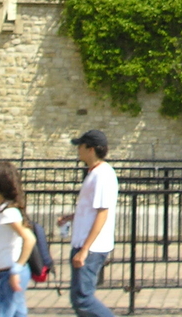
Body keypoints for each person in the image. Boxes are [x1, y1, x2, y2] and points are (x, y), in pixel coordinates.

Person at [57, 130, 118, 317]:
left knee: (83, 298)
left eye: (80, 146)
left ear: (90, 149)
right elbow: (92, 209)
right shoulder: (94, 173)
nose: (78, 150)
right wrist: (71, 217)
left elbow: (102, 213)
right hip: (85, 243)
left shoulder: (102, 175)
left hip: (91, 247)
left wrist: (85, 249)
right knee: (79, 297)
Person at [0, 161, 36, 317]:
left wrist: (16, 269)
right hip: (5, 274)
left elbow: (29, 239)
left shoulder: (9, 212)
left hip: (9, 274)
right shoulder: (2, 210)